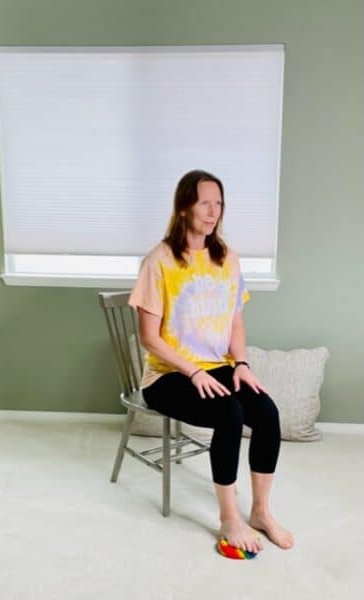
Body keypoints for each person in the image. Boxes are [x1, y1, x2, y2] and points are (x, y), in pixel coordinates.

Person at [128, 169, 293, 554]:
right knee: (230, 413)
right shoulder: (160, 261)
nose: (213, 210)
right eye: (205, 202)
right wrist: (194, 370)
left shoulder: (227, 259)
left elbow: (235, 320)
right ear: (185, 206)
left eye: (218, 203)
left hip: (217, 367)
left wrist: (242, 364)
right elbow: (149, 338)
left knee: (267, 413)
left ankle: (261, 513)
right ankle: (229, 517)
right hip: (167, 376)